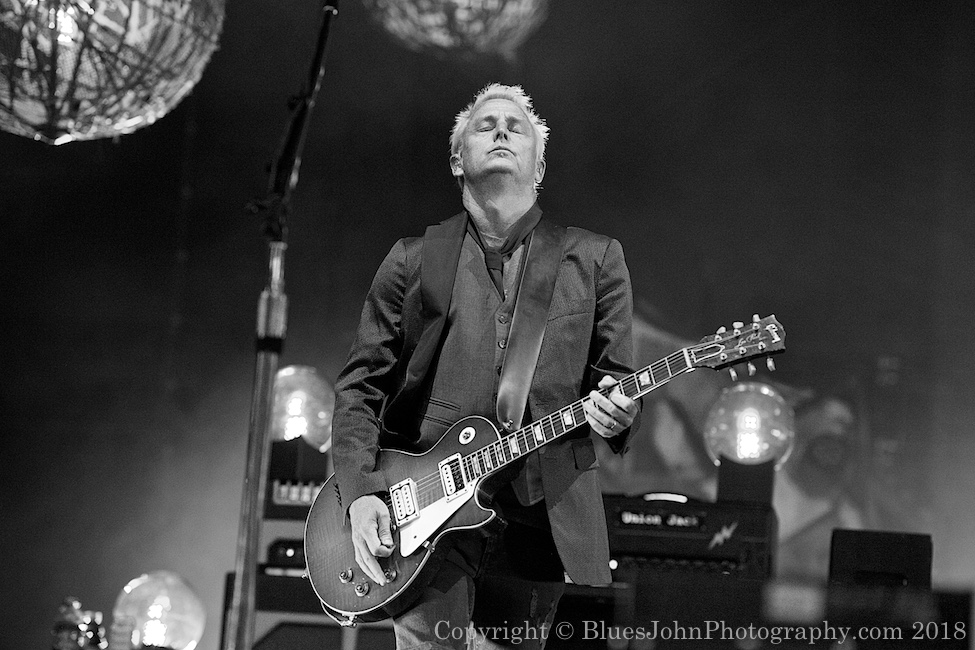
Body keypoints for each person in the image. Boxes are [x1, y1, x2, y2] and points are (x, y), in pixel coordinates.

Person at [331, 83, 641, 650]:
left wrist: (619, 412)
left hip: (541, 512)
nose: (500, 130)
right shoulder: (412, 259)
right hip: (428, 514)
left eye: (515, 125)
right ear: (457, 159)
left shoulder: (594, 259)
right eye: (485, 124)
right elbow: (360, 386)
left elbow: (616, 382)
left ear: (539, 164)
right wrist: (360, 492)